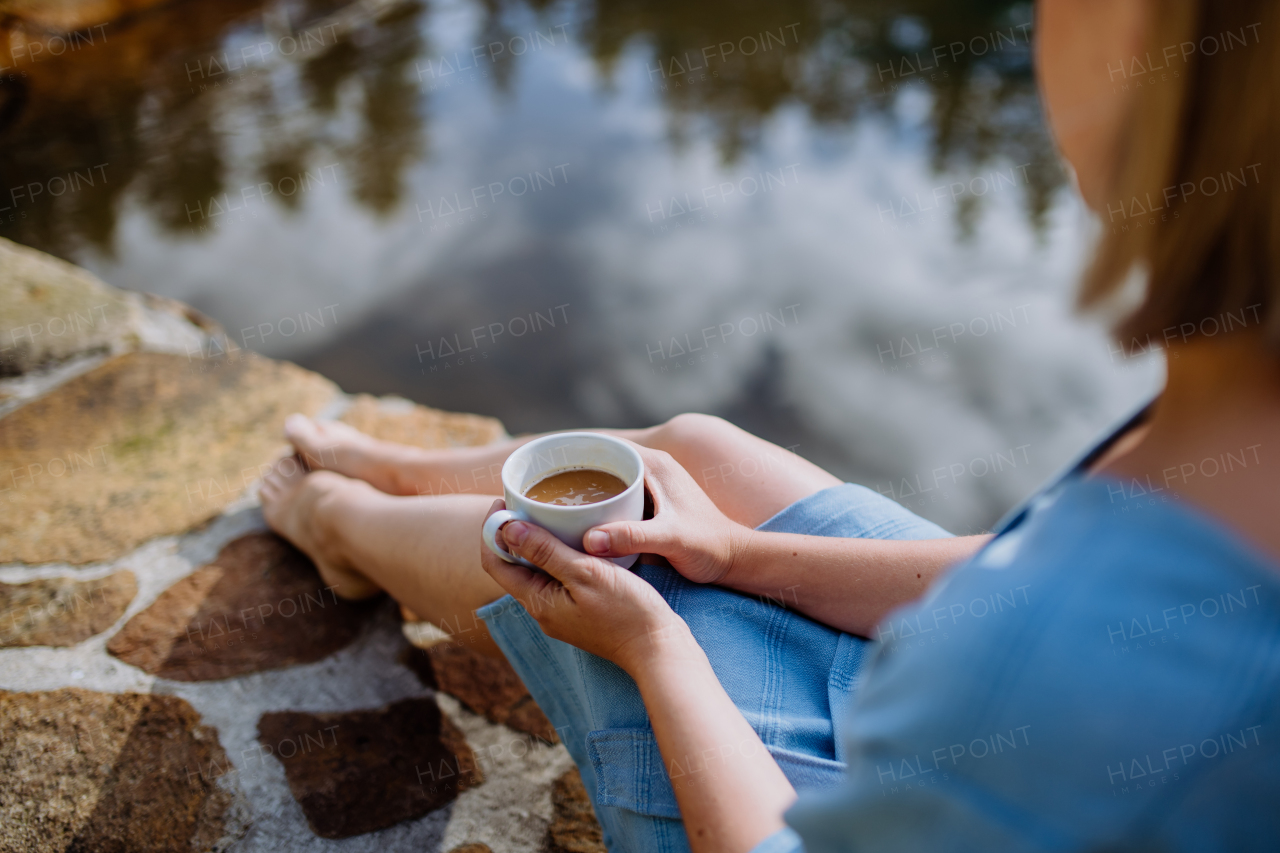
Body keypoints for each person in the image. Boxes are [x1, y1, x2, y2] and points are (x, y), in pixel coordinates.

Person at [261, 0, 1280, 849]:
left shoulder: (1070, 672)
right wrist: (740, 551)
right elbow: (996, 572)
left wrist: (655, 649)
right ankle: (388, 465)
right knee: (694, 456)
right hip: (982, 702)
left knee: (612, 578)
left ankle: (336, 524)